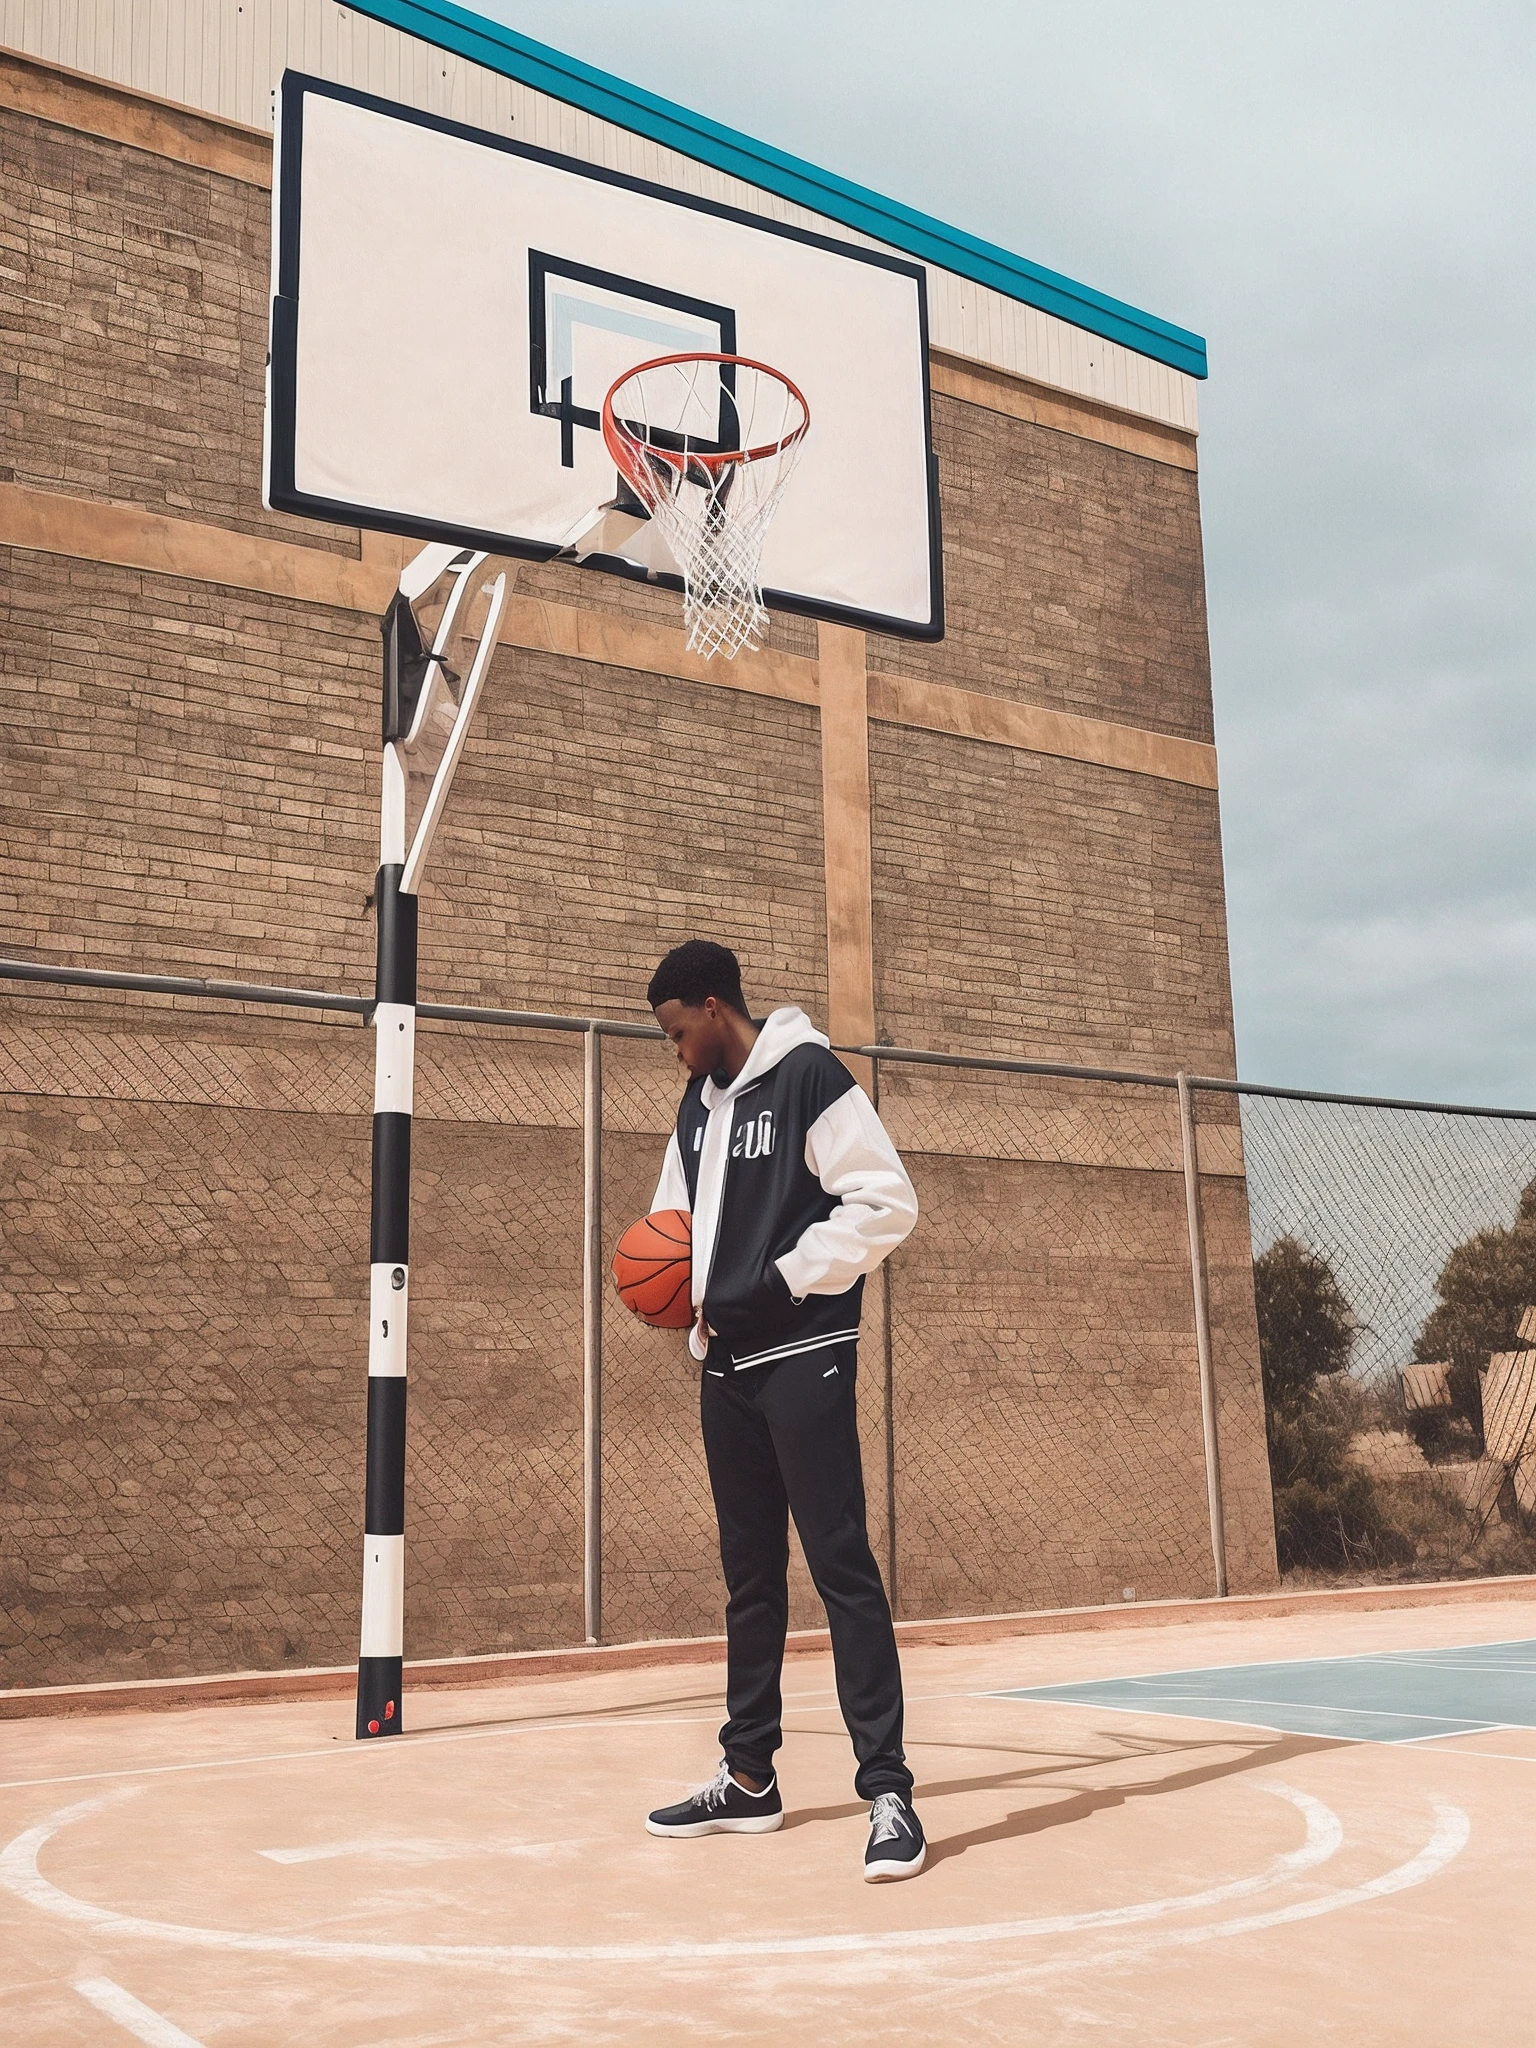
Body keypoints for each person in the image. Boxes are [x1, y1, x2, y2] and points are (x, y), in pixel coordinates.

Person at [640, 939, 925, 1881]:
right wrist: (676, 1302)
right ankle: (749, 1776)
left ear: (714, 1007)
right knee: (750, 1579)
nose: (676, 1051)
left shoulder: (807, 1075)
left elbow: (886, 1201)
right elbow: (672, 1235)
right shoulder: (697, 1109)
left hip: (803, 1355)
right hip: (727, 1368)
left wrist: (788, 1277)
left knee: (841, 1565)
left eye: (680, 1033)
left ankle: (887, 1791)